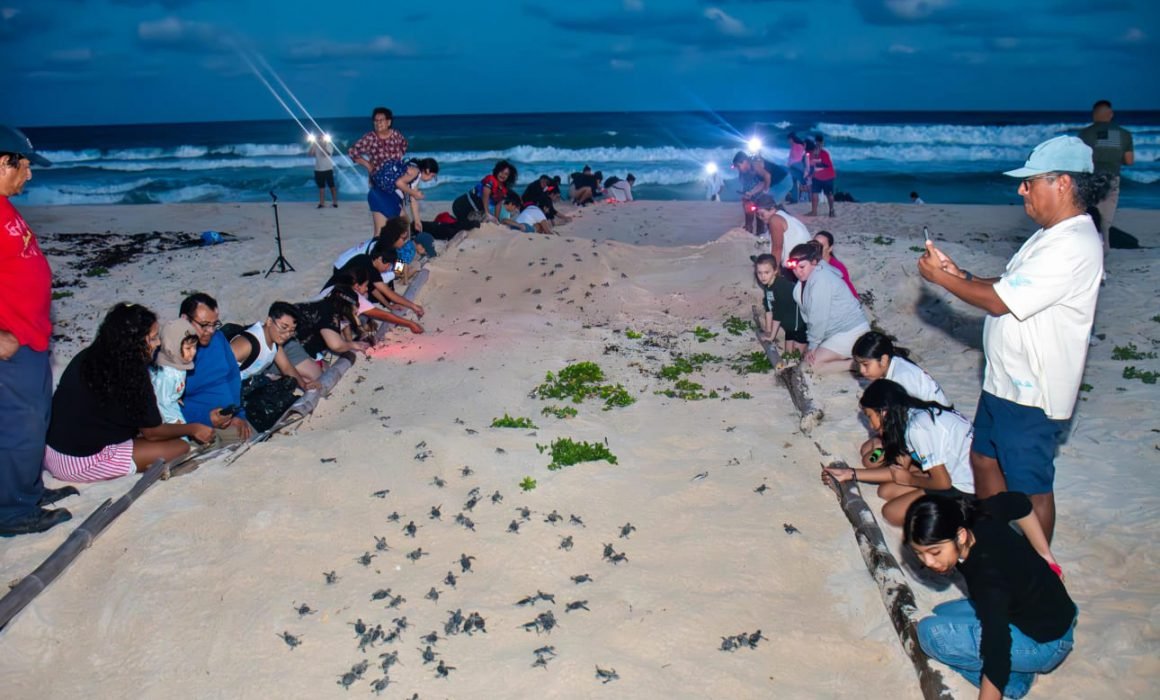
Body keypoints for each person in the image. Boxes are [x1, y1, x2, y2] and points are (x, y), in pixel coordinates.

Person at [918, 135, 1109, 542]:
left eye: (1030, 181)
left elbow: (999, 302)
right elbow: (1008, 285)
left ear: (1063, 183)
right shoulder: (1049, 234)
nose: (1021, 188)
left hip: (1032, 392)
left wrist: (943, 281)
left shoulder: (1072, 244)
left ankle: (1038, 570)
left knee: (1030, 486)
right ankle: (997, 542)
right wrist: (959, 273)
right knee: (983, 459)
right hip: (1004, 380)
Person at [905, 494, 1076, 699]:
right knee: (942, 612)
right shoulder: (974, 513)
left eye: (935, 552)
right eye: (919, 553)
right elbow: (1020, 503)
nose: (929, 562)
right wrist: (1046, 556)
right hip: (1050, 609)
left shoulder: (988, 578)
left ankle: (1017, 683)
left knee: (932, 635)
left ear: (960, 536)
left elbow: (997, 654)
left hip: (1046, 643)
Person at [0, 131, 76, 535]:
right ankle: (12, 512)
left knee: (34, 421)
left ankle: (27, 491)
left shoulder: (5, 207)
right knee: (17, 426)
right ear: (2, 163)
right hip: (11, 345)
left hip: (33, 339)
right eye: (24, 165)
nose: (28, 175)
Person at [44, 303, 213, 482]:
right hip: (78, 463)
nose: (158, 343)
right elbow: (152, 432)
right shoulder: (132, 373)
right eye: (153, 338)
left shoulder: (88, 356)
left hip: (50, 451)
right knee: (179, 447)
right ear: (135, 342)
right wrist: (193, 428)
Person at [823, 379, 975, 525]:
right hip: (951, 470)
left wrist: (909, 479)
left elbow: (943, 482)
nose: (870, 425)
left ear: (883, 412)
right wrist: (849, 473)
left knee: (891, 513)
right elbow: (894, 468)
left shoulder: (916, 429)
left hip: (964, 486)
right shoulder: (910, 415)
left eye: (869, 417)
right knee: (885, 490)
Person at [853, 331, 949, 468]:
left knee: (870, 461)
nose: (861, 370)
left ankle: (915, 466)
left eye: (865, 364)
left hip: (929, 436)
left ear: (884, 360)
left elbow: (904, 423)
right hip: (914, 429)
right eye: (859, 365)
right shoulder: (895, 364)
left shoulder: (902, 379)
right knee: (867, 449)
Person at [179, 292, 254, 443]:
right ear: (184, 319)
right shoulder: (172, 352)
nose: (211, 331)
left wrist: (237, 414)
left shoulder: (218, 339)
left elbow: (233, 377)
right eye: (204, 325)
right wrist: (204, 418)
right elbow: (164, 405)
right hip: (194, 425)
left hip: (229, 419)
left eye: (214, 324)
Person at [788, 241, 871, 373]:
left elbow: (818, 316)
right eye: (794, 268)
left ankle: (857, 365)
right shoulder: (806, 280)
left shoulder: (821, 279)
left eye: (802, 267)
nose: (797, 272)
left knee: (810, 366)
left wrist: (813, 345)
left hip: (849, 331)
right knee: (806, 358)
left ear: (814, 262)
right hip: (833, 333)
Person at [753, 193, 810, 355]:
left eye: (761, 213)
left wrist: (774, 273)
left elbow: (777, 248)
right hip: (801, 264)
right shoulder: (783, 216)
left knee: (788, 301)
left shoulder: (774, 220)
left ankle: (800, 337)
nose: (760, 216)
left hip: (797, 267)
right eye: (757, 214)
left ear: (772, 209)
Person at [1078, 99, 1134, 251]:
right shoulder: (1124, 134)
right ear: (1111, 114)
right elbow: (1129, 161)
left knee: (1087, 217)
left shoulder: (1084, 134)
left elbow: (1078, 159)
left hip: (1088, 179)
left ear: (1094, 115)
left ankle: (1086, 247)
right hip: (1111, 178)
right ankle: (1104, 248)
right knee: (1105, 220)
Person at [348, 107, 409, 236]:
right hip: (378, 186)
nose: (378, 123)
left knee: (402, 225)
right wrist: (368, 165)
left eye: (381, 120)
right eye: (375, 121)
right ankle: (376, 255)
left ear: (389, 122)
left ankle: (399, 254)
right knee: (380, 230)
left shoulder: (397, 135)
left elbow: (404, 146)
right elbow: (352, 151)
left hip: (396, 186)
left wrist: (396, 166)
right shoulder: (370, 138)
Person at [289, 286, 368, 382]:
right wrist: (354, 344)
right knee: (319, 377)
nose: (356, 313)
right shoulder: (330, 314)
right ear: (347, 306)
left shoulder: (325, 305)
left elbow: (346, 326)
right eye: (355, 310)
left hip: (294, 341)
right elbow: (336, 345)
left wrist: (349, 341)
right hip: (289, 347)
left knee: (325, 368)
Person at [150, 318, 199, 426]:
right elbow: (161, 400)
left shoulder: (178, 364)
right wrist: (173, 421)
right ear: (172, 348)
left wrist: (175, 396)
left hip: (171, 404)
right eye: (188, 348)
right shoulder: (167, 374)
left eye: (195, 347)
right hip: (164, 415)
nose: (193, 352)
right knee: (181, 437)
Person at [452, 160, 517, 228]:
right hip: (461, 205)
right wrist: (487, 213)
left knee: (476, 224)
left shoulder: (503, 189)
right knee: (470, 225)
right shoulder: (490, 180)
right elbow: (485, 195)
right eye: (501, 172)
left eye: (506, 174)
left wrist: (496, 219)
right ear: (497, 171)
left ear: (509, 177)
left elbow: (498, 204)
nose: (503, 175)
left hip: (472, 211)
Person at [733, 151, 773, 236]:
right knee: (750, 221)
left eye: (738, 166)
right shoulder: (743, 172)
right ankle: (751, 237)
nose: (738, 169)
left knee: (759, 221)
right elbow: (745, 185)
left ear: (744, 161)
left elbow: (764, 181)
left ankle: (757, 237)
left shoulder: (755, 167)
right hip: (751, 197)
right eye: (737, 167)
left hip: (759, 197)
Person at [813, 230, 858, 298]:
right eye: (815, 244)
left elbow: (848, 292)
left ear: (830, 249)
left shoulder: (837, 268)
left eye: (821, 246)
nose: (817, 248)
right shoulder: (810, 262)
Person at [807, 135, 837, 217]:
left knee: (828, 194)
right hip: (818, 176)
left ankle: (831, 210)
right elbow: (809, 165)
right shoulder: (810, 153)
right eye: (817, 143)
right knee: (815, 193)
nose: (818, 145)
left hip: (827, 176)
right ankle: (814, 212)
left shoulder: (824, 153)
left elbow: (826, 165)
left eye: (819, 143)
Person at [308, 134, 338, 209]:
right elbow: (310, 154)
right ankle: (322, 203)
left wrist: (322, 145)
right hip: (318, 169)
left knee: (332, 186)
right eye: (319, 137)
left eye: (321, 138)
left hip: (328, 169)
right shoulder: (316, 145)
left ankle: (335, 202)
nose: (320, 139)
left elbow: (326, 154)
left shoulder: (329, 145)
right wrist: (313, 145)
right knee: (321, 187)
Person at [786, 133, 808, 203]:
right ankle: (795, 199)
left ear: (791, 139)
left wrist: (789, 164)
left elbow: (796, 158)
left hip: (796, 165)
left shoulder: (796, 146)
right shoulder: (797, 146)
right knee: (794, 181)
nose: (788, 141)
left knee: (797, 181)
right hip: (796, 166)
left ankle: (796, 199)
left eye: (789, 140)